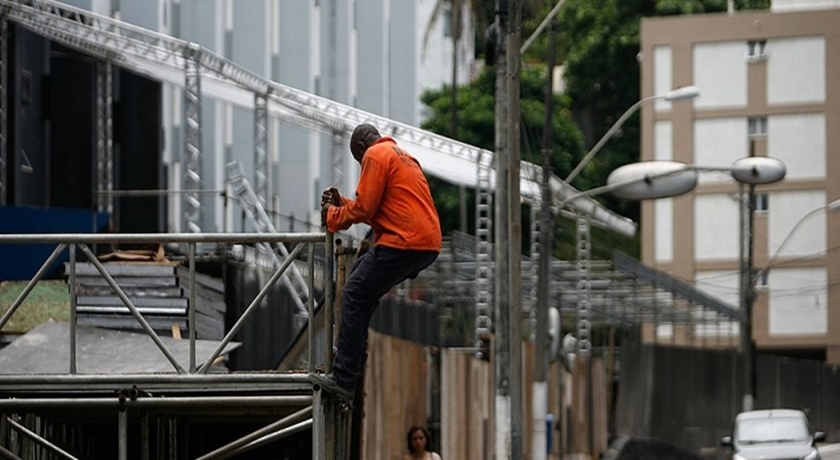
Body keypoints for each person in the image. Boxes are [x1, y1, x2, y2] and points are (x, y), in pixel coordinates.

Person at [309, 123, 441, 402]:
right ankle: (353, 359)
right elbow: (380, 209)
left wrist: (333, 216)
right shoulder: (400, 154)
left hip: (405, 242)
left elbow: (366, 208)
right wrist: (342, 203)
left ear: (359, 149)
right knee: (361, 281)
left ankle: (345, 377)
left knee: (355, 293)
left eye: (358, 162)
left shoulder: (374, 156)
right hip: (425, 243)